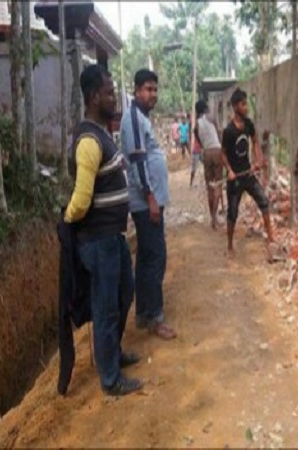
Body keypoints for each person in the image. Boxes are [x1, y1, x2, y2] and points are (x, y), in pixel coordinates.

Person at [64, 64, 142, 396]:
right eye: (110, 93)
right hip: (99, 240)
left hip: (112, 237)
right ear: (94, 97)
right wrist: (68, 219)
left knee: (124, 293)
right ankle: (110, 379)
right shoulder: (88, 141)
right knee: (107, 305)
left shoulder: (101, 133)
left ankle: (112, 354)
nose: (114, 98)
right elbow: (82, 199)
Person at [120, 68, 177, 340]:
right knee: (155, 257)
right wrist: (151, 198)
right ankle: (154, 317)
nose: (153, 94)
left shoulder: (141, 117)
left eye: (155, 89)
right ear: (136, 90)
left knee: (146, 256)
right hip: (145, 202)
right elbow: (138, 162)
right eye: (148, 89)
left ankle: (144, 313)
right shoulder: (133, 118)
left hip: (149, 201)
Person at [221, 88, 275, 258]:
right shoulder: (229, 131)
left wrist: (257, 160)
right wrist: (229, 170)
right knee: (232, 212)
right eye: (243, 104)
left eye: (246, 104)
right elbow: (223, 154)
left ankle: (271, 237)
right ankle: (229, 246)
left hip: (248, 175)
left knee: (263, 201)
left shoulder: (248, 124)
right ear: (235, 107)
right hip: (235, 179)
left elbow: (255, 141)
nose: (246, 107)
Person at [195, 100, 224, 229]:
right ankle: (214, 219)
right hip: (217, 150)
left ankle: (212, 217)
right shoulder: (211, 118)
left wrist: (204, 147)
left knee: (210, 187)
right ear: (206, 109)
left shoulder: (196, 125)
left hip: (206, 153)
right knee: (217, 185)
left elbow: (198, 139)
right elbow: (219, 134)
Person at [190, 121, 203, 188]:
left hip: (199, 151)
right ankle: (192, 183)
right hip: (197, 151)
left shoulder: (198, 133)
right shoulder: (197, 133)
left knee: (196, 168)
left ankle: (192, 183)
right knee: (195, 168)